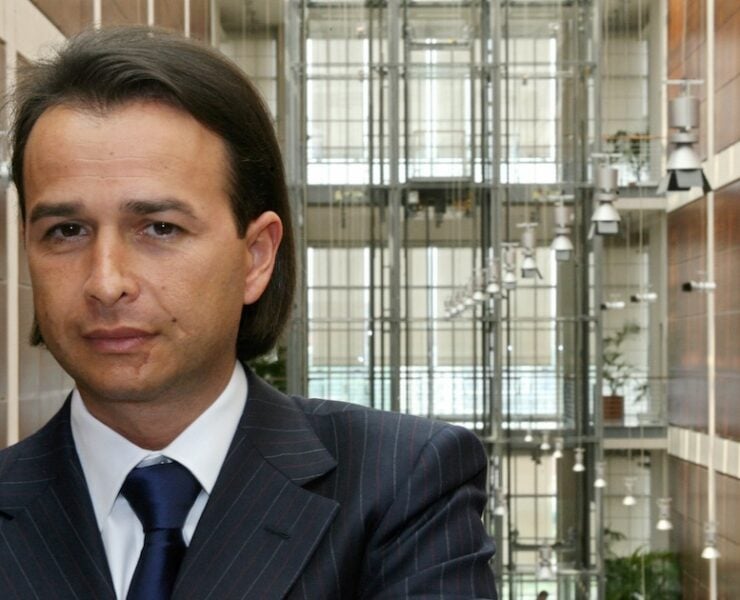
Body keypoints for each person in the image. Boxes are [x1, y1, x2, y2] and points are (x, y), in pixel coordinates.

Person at [0, 26, 497, 599]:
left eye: (160, 228)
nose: (106, 281)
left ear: (256, 256)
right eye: (66, 230)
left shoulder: (402, 485)